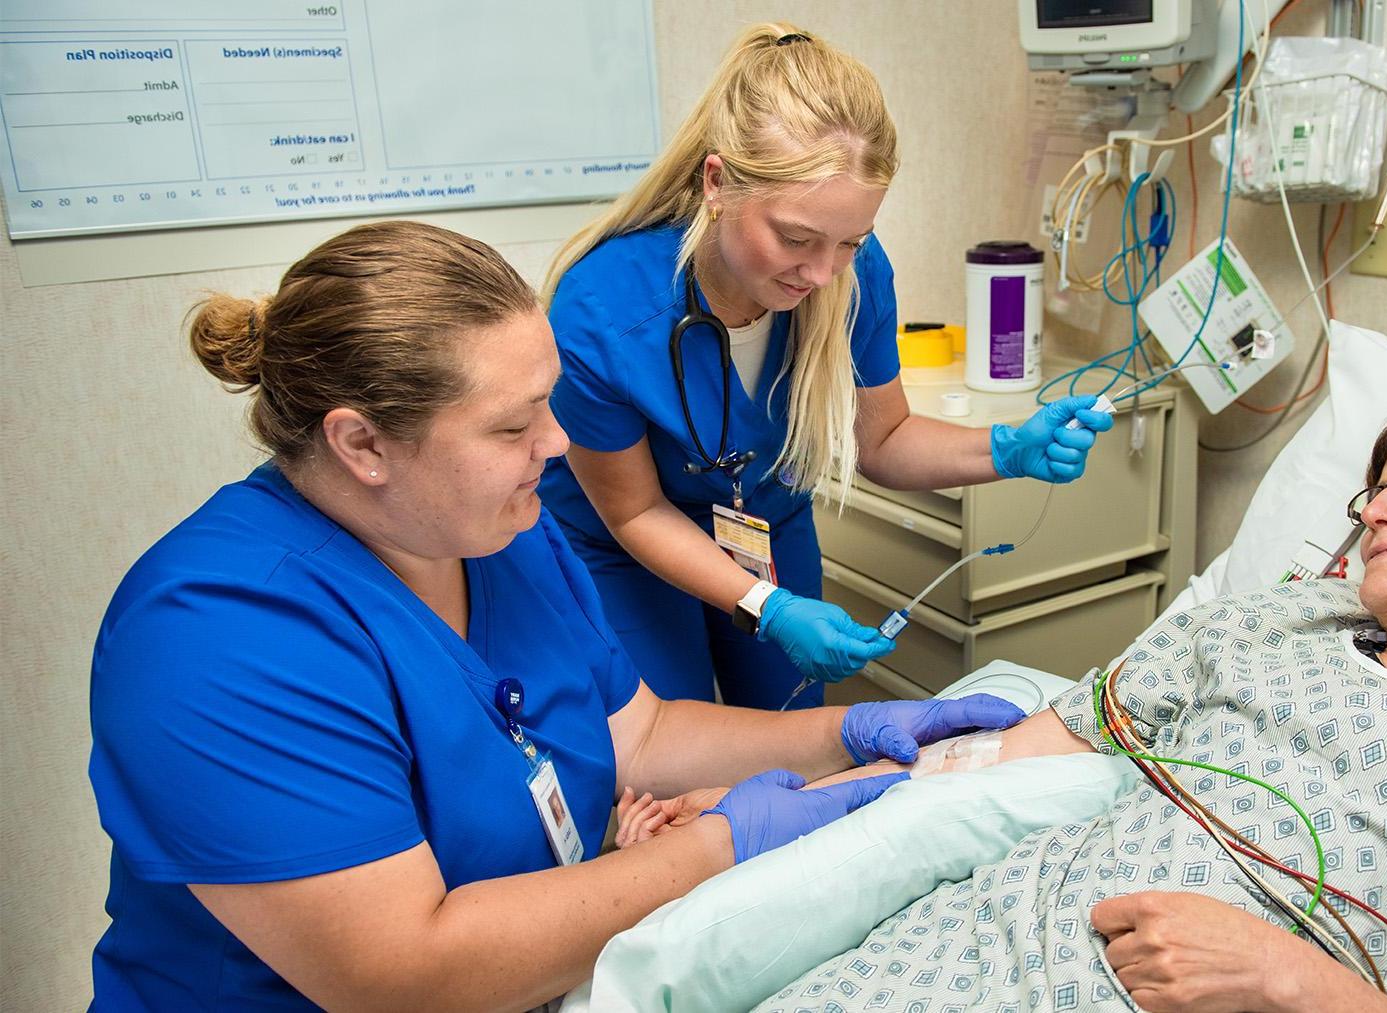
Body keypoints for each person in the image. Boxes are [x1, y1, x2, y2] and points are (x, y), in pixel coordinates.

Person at [86, 220, 1025, 1011]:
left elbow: (641, 734)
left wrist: (852, 732)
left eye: (550, 402)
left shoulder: (501, 533)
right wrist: (725, 843)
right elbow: (404, 974)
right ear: (362, 442)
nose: (559, 441)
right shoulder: (215, 637)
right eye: (513, 424)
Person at [753, 390, 1387, 1012]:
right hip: (955, 951)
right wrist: (797, 799)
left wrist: (1285, 978)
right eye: (1374, 490)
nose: (1374, 510)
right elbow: (1035, 743)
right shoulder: (1275, 624)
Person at [538, 22, 1114, 710]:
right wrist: (767, 606)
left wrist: (1007, 449)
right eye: (796, 238)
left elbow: (886, 440)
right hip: (626, 544)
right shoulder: (601, 310)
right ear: (717, 184)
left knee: (786, 733)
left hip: (763, 524)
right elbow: (634, 512)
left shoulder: (855, 276)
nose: (820, 272)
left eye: (850, 241)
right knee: (670, 750)